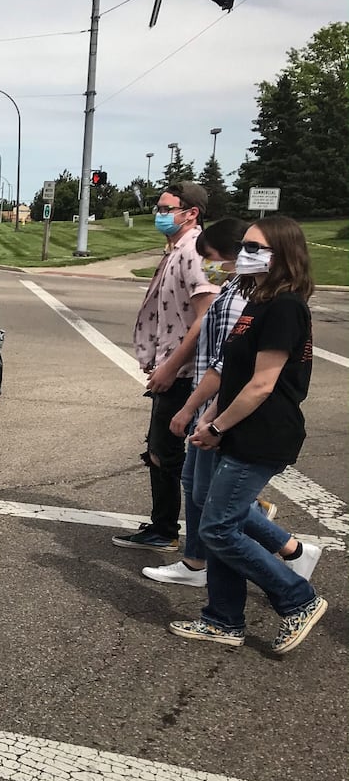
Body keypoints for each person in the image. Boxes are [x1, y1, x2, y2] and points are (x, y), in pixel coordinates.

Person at [169, 216, 326, 653]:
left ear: (283, 255)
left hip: (263, 435)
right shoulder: (259, 299)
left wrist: (218, 425)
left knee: (218, 529)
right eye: (244, 246)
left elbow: (262, 385)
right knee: (218, 519)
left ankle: (298, 599)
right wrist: (209, 418)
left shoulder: (285, 307)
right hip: (236, 428)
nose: (244, 253)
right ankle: (222, 619)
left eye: (255, 247)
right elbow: (235, 375)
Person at [112, 183, 218, 553]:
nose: (159, 213)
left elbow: (205, 319)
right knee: (164, 450)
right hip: (172, 365)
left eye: (166, 207)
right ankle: (167, 525)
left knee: (165, 451)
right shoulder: (177, 249)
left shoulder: (193, 252)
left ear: (191, 213)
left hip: (183, 372)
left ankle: (168, 528)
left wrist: (171, 367)